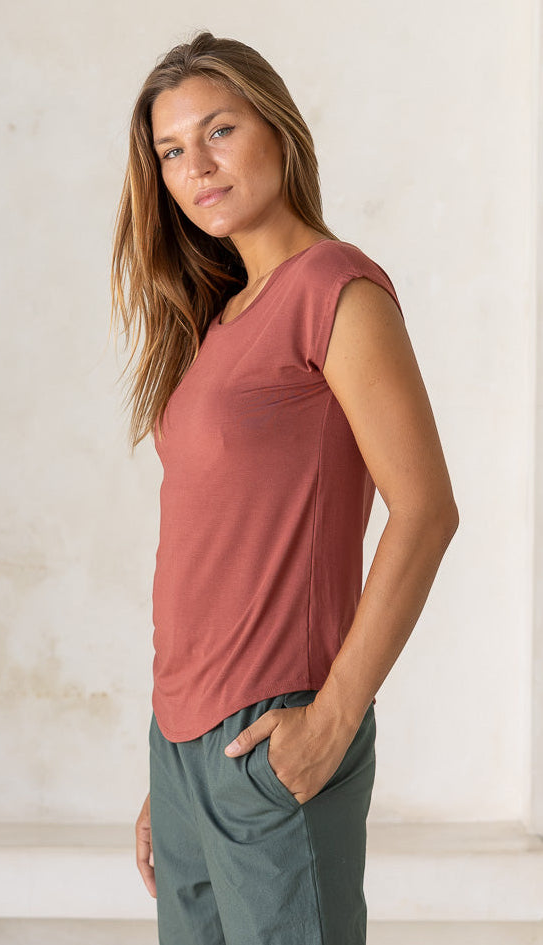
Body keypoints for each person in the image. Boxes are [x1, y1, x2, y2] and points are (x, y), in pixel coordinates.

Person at [110, 29, 459, 945]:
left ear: (278, 128)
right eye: (172, 151)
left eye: (219, 130)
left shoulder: (335, 289)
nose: (198, 166)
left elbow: (425, 510)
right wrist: (171, 768)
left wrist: (333, 718)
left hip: (277, 729)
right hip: (186, 741)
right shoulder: (218, 318)